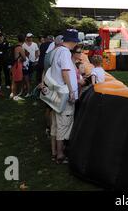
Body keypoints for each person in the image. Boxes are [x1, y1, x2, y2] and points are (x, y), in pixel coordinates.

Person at [49, 29, 80, 164]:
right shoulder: (65, 52)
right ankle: (60, 155)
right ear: (72, 41)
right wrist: (72, 91)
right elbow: (65, 73)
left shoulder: (56, 51)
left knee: (56, 124)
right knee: (63, 124)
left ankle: (55, 152)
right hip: (64, 94)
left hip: (56, 92)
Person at [10, 35, 27, 101]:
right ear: (24, 40)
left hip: (13, 64)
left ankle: (12, 94)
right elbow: (24, 58)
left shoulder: (15, 46)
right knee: (16, 81)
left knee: (13, 80)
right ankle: (15, 96)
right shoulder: (20, 48)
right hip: (17, 65)